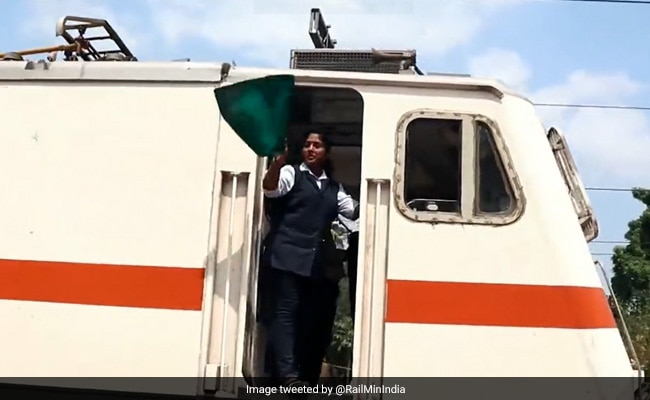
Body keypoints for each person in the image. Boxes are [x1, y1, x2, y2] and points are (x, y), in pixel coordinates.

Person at [261, 131, 359, 387]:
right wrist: (278, 163)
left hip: (313, 263)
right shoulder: (291, 173)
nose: (311, 149)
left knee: (308, 319)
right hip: (285, 255)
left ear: (326, 151)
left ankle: (303, 375)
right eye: (307, 145)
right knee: (285, 314)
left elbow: (353, 209)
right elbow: (270, 189)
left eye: (317, 145)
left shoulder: (334, 188)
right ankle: (288, 376)